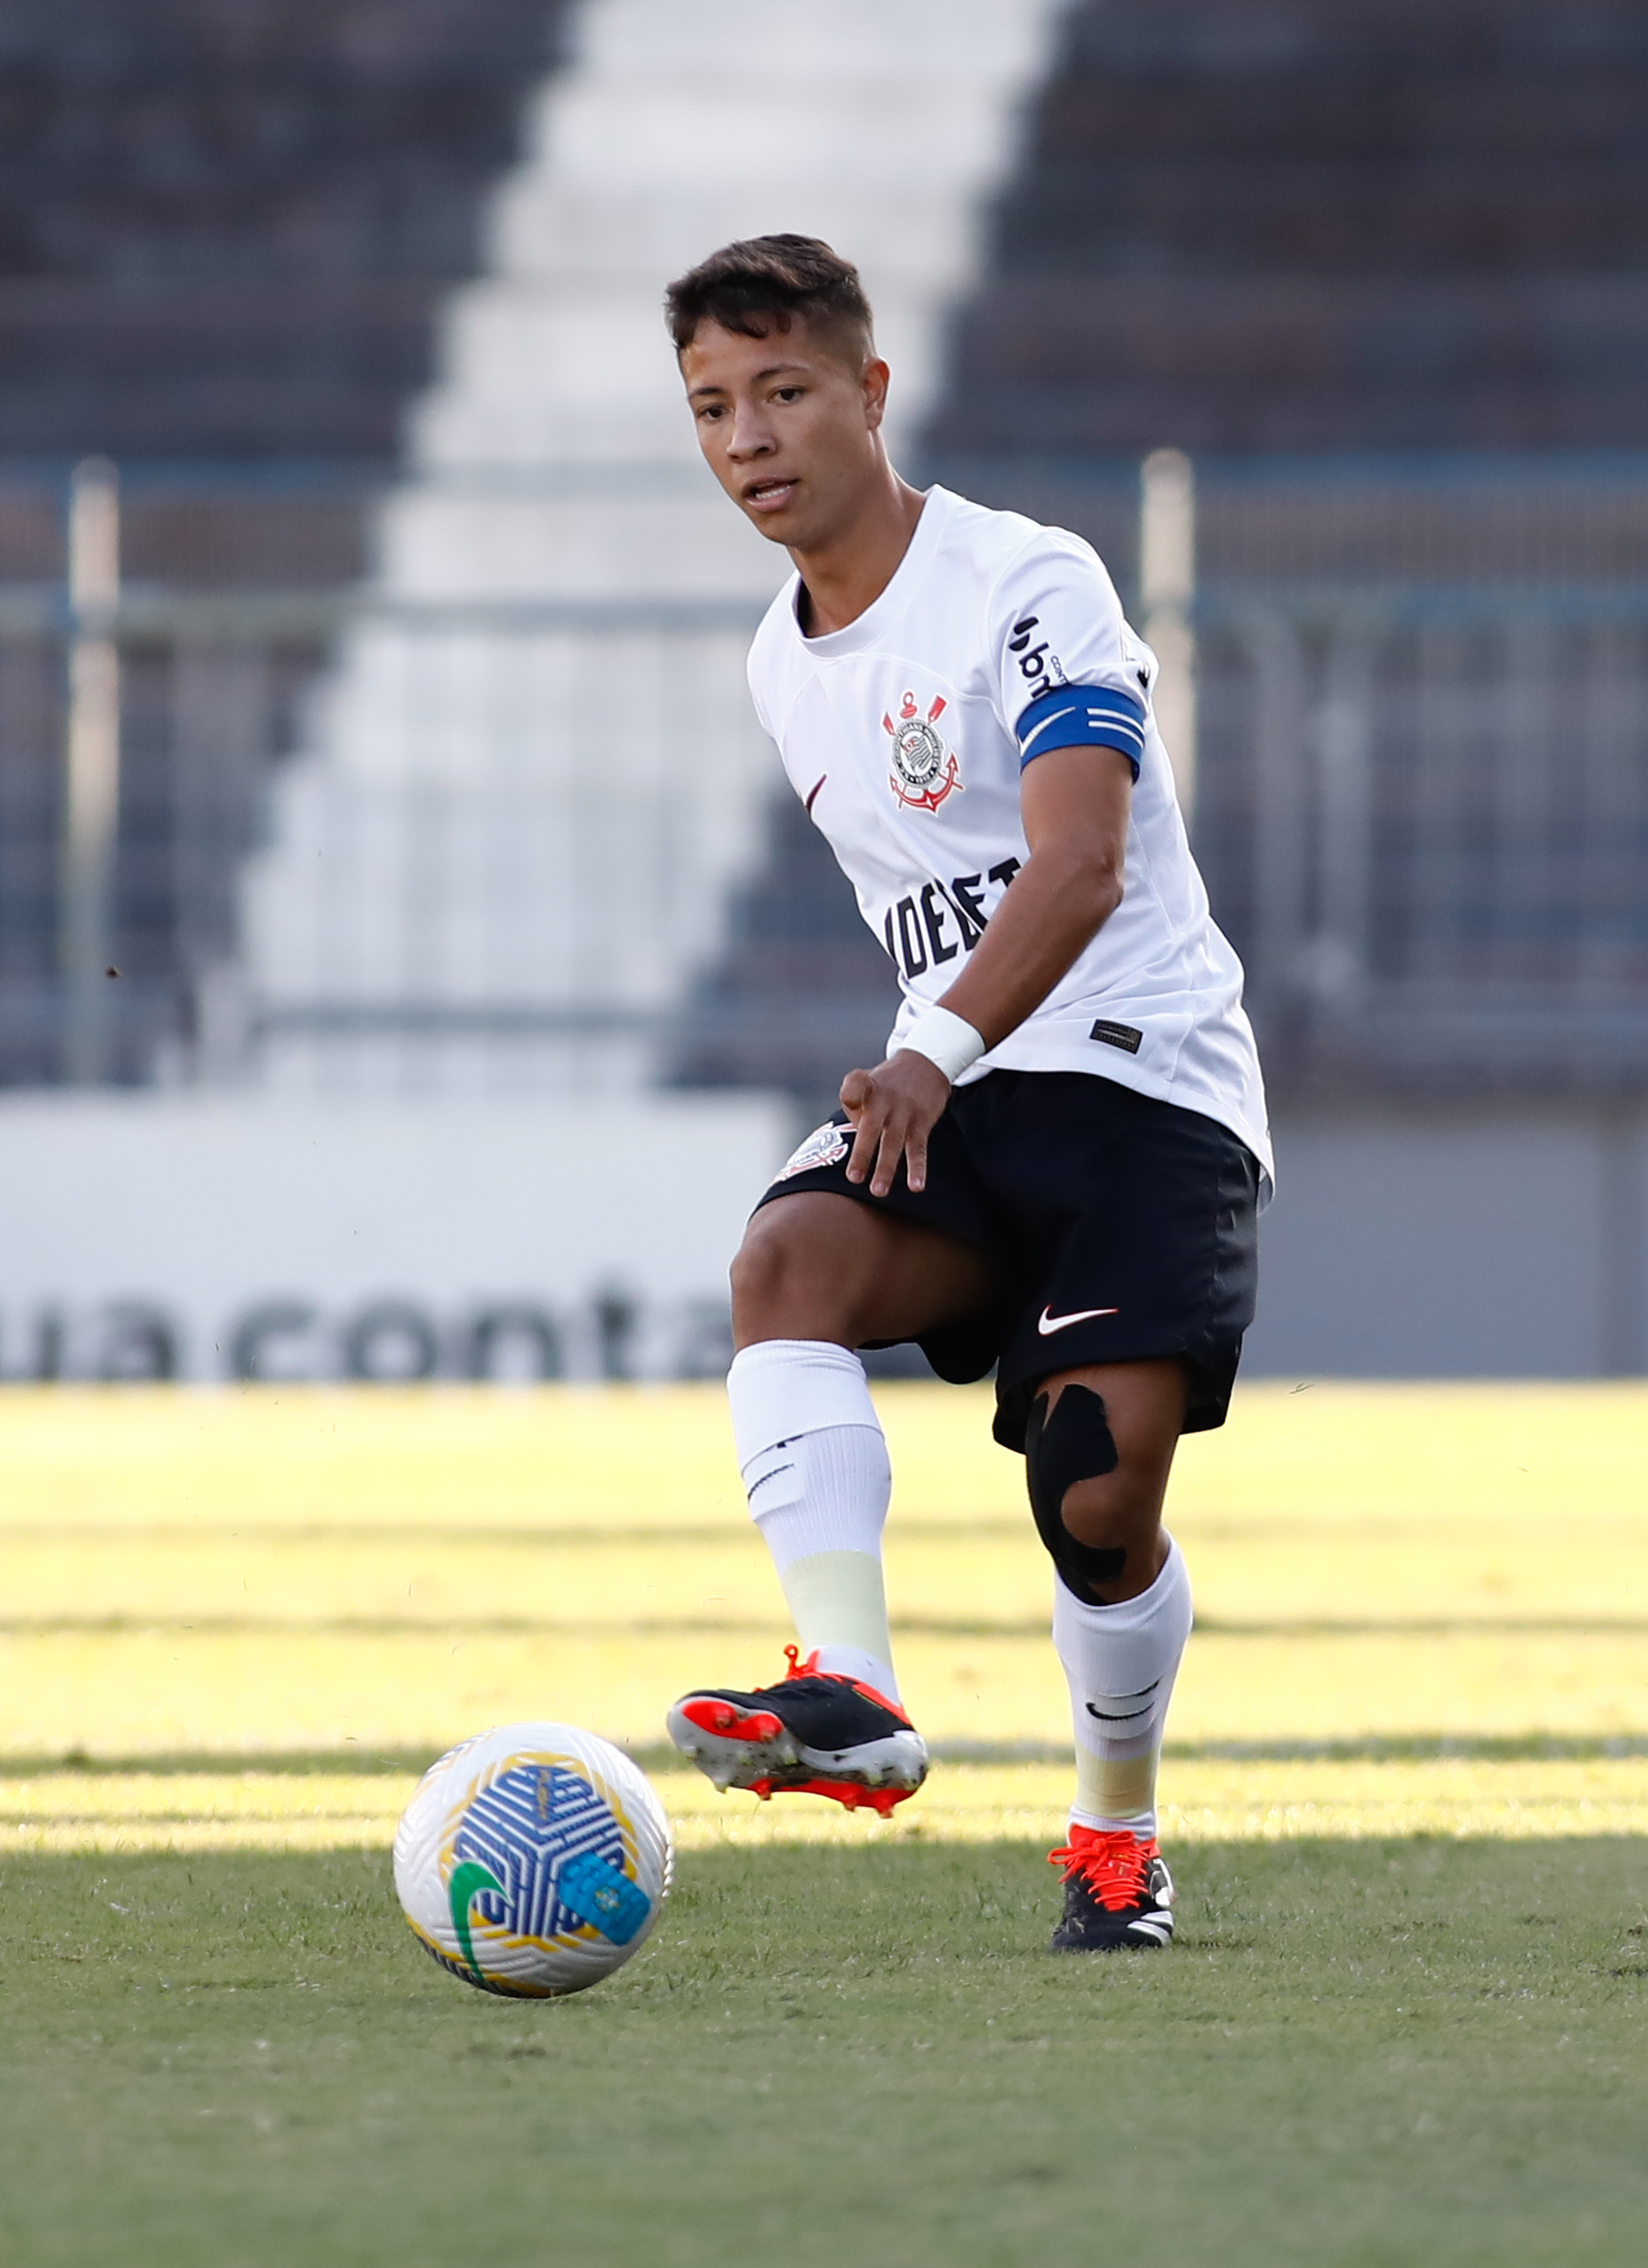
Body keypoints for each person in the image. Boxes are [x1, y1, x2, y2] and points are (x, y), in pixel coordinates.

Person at [661, 235, 1270, 1952]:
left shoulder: (1029, 580)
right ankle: (844, 1685)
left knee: (1094, 1491)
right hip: (969, 1080)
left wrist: (927, 1041)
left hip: (1148, 1080)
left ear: (866, 391)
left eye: (783, 392)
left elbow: (1076, 867)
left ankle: (1113, 1829)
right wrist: (938, 1054)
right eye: (712, 406)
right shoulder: (780, 662)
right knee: (783, 1268)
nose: (748, 438)